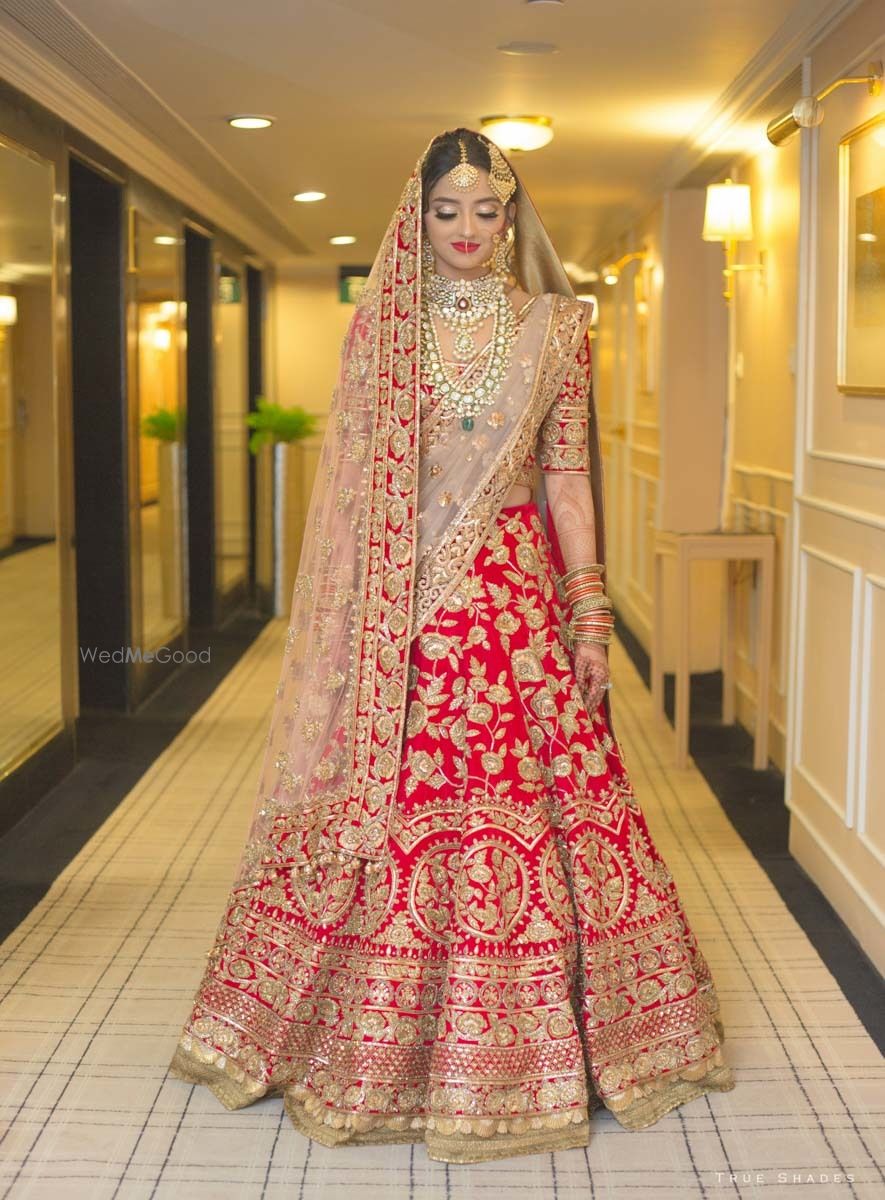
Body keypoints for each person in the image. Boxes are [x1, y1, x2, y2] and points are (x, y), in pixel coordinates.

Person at [169, 128, 735, 1164]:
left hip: (517, 605)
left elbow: (566, 479)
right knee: (397, 805)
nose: (468, 231)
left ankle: (548, 1048)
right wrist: (353, 629)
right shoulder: (384, 331)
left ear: (511, 217)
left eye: (486, 210)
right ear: (417, 220)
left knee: (541, 807)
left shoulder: (561, 328)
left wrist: (590, 614)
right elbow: (353, 493)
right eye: (447, 212)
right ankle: (376, 1048)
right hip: (405, 618)